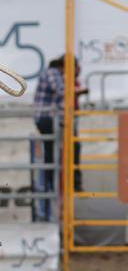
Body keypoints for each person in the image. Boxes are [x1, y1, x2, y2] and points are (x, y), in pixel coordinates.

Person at [32, 54, 86, 220]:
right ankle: (63, 181)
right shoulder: (53, 73)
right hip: (48, 118)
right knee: (70, 147)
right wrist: (78, 90)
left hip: (48, 118)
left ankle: (54, 180)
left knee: (57, 151)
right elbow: (62, 91)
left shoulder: (51, 72)